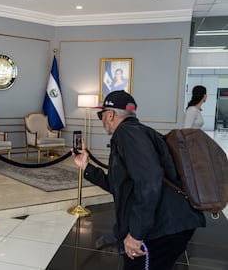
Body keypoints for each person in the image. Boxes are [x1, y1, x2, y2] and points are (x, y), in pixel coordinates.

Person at [72, 90, 205, 270]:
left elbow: (149, 183)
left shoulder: (127, 135)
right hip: (171, 223)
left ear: (110, 115)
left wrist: (136, 234)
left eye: (100, 114)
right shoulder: (139, 132)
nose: (101, 119)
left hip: (163, 228)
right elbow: (120, 187)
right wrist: (86, 167)